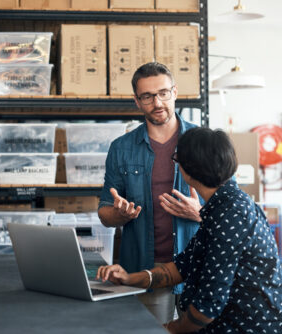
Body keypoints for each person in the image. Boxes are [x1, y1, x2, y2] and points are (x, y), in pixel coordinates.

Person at [97, 127, 282, 333]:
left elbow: (208, 305)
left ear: (188, 170)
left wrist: (169, 329)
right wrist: (129, 278)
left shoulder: (231, 214)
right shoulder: (221, 207)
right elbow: (181, 267)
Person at [98, 62, 202, 324]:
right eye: (147, 96)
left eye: (163, 93)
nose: (157, 102)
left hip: (199, 269)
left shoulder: (204, 142)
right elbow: (104, 213)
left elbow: (236, 209)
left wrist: (199, 213)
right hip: (146, 271)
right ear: (137, 101)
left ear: (175, 92)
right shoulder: (121, 148)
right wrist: (119, 214)